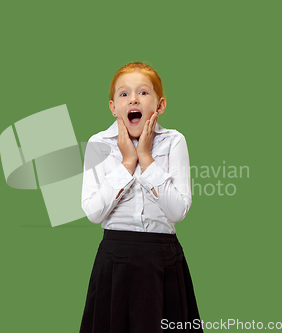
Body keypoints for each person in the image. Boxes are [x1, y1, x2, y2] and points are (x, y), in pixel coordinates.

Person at [80, 62, 202, 333]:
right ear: (113, 107)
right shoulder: (98, 144)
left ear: (159, 105)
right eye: (124, 94)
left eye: (143, 93)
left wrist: (145, 159)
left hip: (163, 258)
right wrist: (126, 163)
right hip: (114, 259)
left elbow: (178, 211)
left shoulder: (174, 141)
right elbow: (93, 212)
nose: (133, 98)